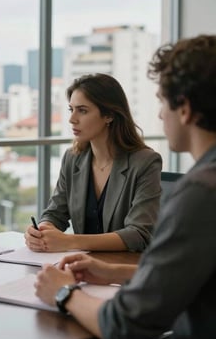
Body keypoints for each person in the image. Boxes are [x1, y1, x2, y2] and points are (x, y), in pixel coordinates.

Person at [35, 34, 216, 339]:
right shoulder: (76, 158)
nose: (160, 113)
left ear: (186, 108)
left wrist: (63, 292)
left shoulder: (200, 192)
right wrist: (113, 272)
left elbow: (125, 326)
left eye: (163, 101)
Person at [25, 73, 162, 253]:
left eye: (82, 110)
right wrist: (42, 230)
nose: (72, 119)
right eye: (71, 109)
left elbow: (139, 234)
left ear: (109, 115)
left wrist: (69, 241)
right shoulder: (72, 158)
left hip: (124, 270)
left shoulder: (145, 162)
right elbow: (55, 212)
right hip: (83, 268)